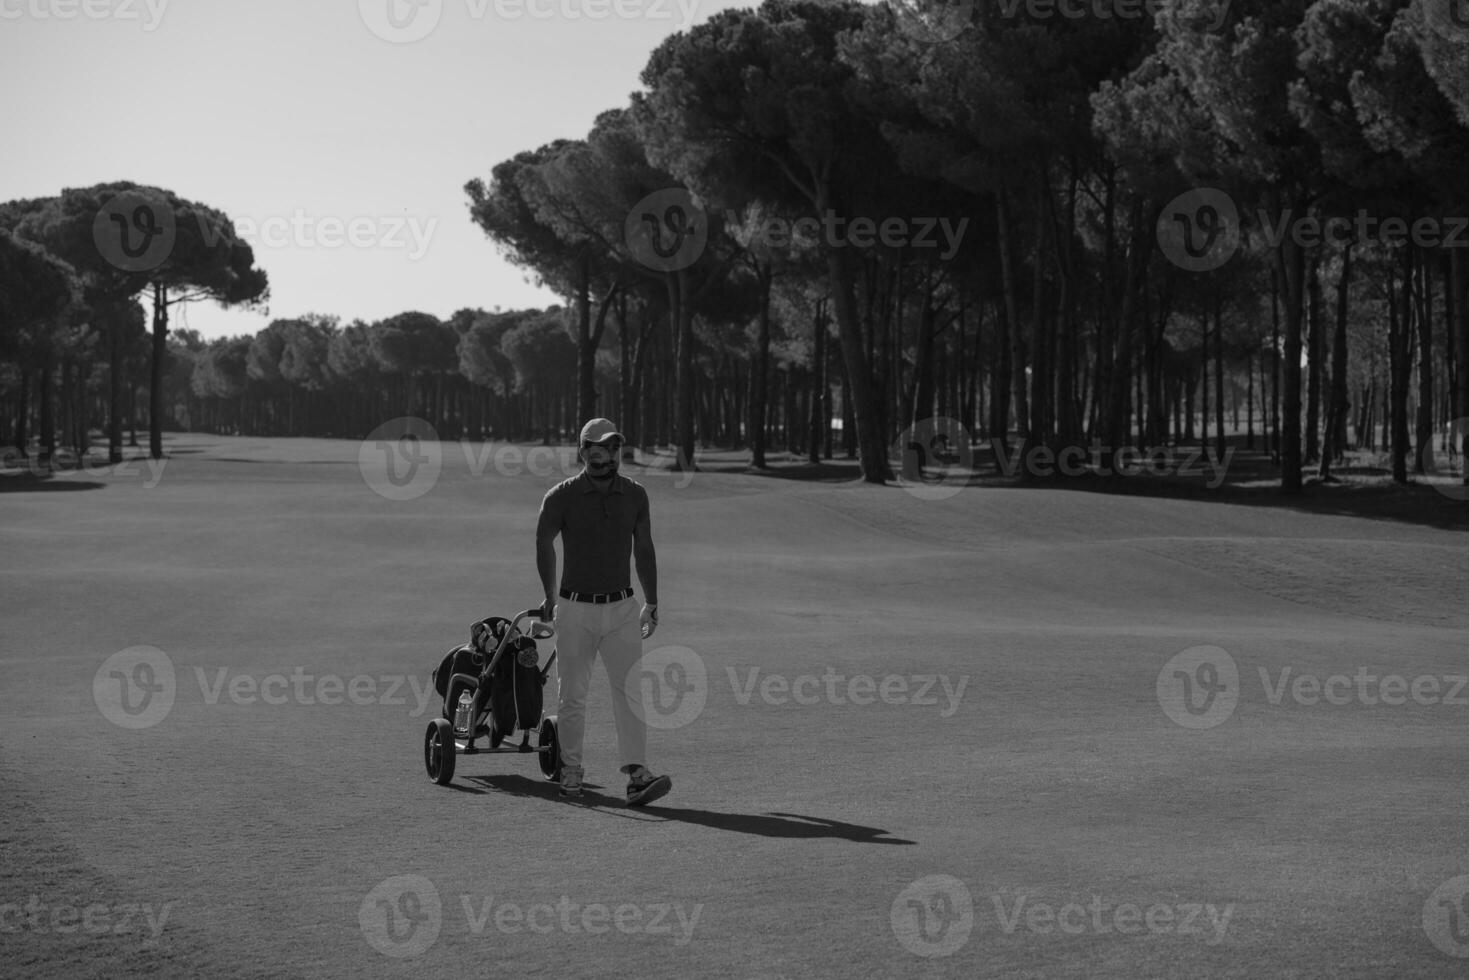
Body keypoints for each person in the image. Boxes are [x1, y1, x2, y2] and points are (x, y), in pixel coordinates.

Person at [536, 417, 671, 806]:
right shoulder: (560, 496)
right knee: (572, 697)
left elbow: (644, 548)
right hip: (575, 607)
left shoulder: (635, 495)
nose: (607, 454)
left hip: (623, 608)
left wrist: (653, 601)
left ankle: (636, 776)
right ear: (583, 451)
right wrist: (549, 595)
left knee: (629, 692)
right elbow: (544, 542)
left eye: (613, 447)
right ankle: (572, 771)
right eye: (599, 447)